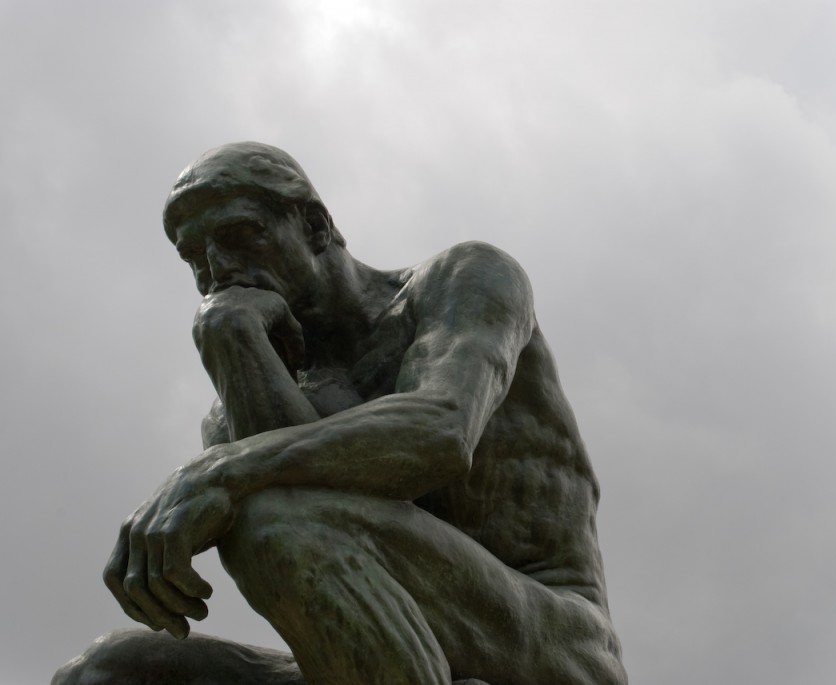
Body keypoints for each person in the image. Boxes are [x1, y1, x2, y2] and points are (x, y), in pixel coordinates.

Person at [53, 142, 627, 685]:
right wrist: (230, 337)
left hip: (547, 639)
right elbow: (302, 527)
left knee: (272, 518)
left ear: (315, 227)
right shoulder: (233, 410)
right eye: (194, 257)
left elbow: (440, 430)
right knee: (103, 672)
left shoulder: (462, 279)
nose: (218, 269)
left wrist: (219, 471)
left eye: (238, 235)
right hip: (393, 653)